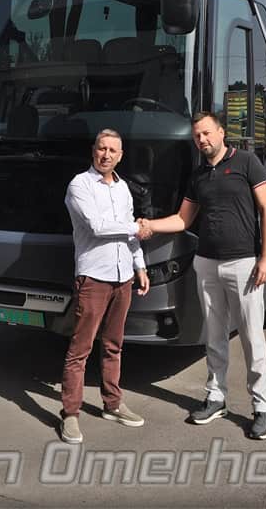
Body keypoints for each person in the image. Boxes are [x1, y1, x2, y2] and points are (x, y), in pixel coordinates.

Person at [139, 112, 266, 440]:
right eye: (197, 135)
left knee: (252, 337)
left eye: (207, 133)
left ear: (221, 132)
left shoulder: (247, 162)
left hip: (244, 264)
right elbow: (183, 220)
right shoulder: (199, 175)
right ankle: (216, 398)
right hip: (207, 263)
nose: (202, 139)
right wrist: (147, 225)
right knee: (214, 334)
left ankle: (262, 407)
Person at [60, 128, 151, 444]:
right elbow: (97, 227)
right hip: (93, 277)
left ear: (120, 156)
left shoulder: (123, 189)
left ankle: (112, 404)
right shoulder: (79, 185)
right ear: (93, 150)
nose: (106, 155)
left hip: (122, 277)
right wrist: (137, 227)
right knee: (80, 349)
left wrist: (139, 266)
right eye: (102, 148)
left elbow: (129, 236)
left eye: (113, 150)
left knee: (114, 345)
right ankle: (70, 415)